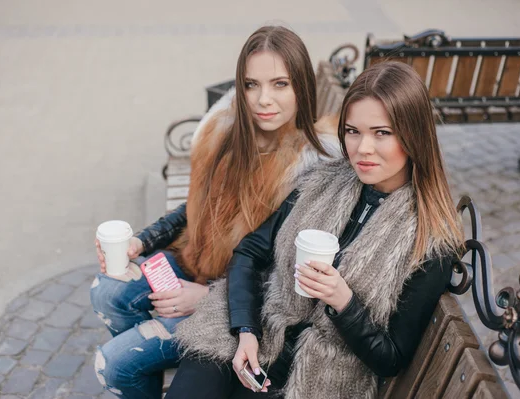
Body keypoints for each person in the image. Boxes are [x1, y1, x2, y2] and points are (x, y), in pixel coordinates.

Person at [169, 61, 464, 399]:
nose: (362, 148)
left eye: (382, 133)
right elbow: (251, 251)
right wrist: (247, 330)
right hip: (256, 332)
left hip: (315, 379)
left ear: (413, 136)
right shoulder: (322, 181)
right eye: (353, 131)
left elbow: (391, 359)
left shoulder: (431, 241)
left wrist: (345, 303)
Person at [90, 25, 340, 399]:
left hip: (237, 311)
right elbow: (195, 208)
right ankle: (154, 366)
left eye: (279, 84)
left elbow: (282, 280)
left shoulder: (311, 168)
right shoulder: (229, 133)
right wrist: (142, 241)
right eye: (251, 85)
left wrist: (206, 299)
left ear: (302, 86)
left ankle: (153, 355)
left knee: (114, 364)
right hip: (196, 263)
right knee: (106, 291)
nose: (263, 100)